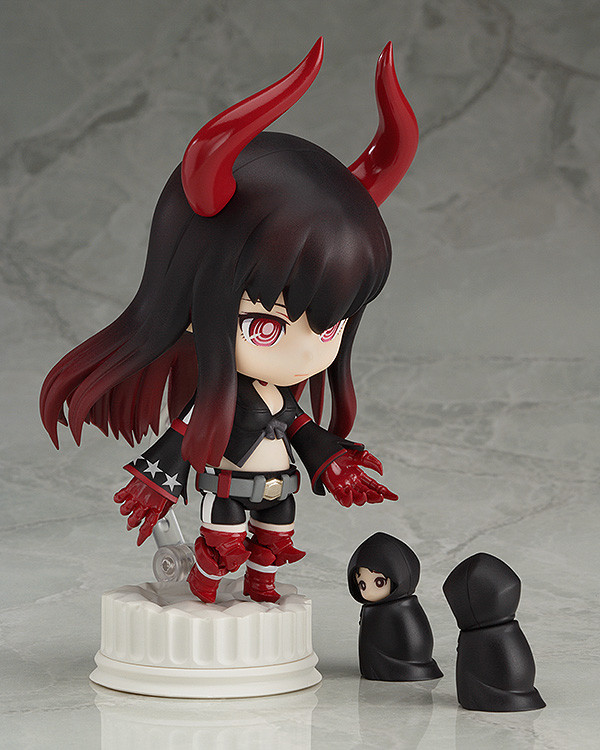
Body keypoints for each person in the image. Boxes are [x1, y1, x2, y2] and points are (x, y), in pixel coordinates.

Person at [40, 39, 418, 603]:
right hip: (225, 487)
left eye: (329, 327)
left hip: (278, 489)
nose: (306, 353)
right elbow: (183, 434)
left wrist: (336, 463)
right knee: (222, 548)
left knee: (274, 544)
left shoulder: (280, 399)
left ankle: (262, 589)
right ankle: (205, 586)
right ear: (193, 305)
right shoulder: (218, 401)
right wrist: (155, 483)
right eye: (268, 327)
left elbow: (301, 429)